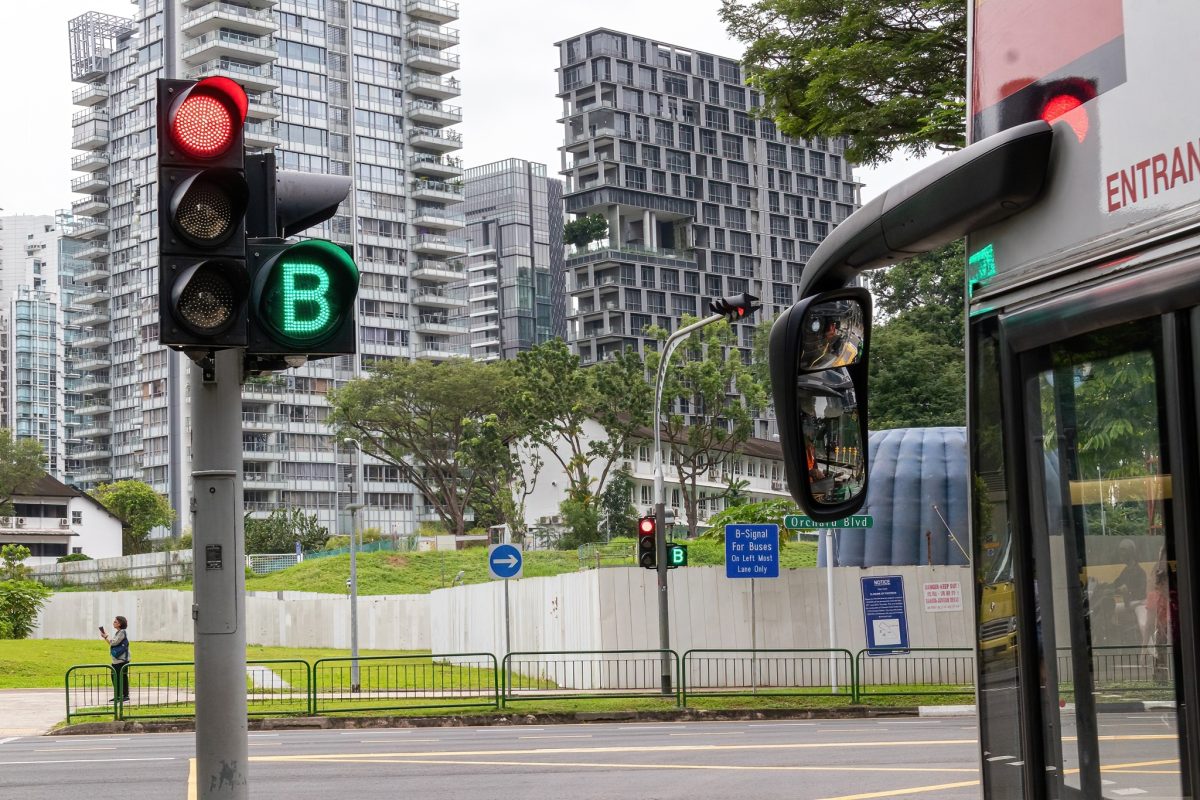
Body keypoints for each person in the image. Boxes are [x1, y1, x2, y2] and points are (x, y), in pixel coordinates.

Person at [102, 615, 130, 702]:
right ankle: (120, 695)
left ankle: (122, 695)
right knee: (118, 677)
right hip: (117, 660)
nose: (113, 623)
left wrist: (106, 637)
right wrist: (105, 638)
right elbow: (112, 644)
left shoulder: (122, 632)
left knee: (119, 677)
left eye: (115, 621)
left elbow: (113, 643)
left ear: (120, 624)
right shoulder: (118, 633)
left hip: (121, 660)